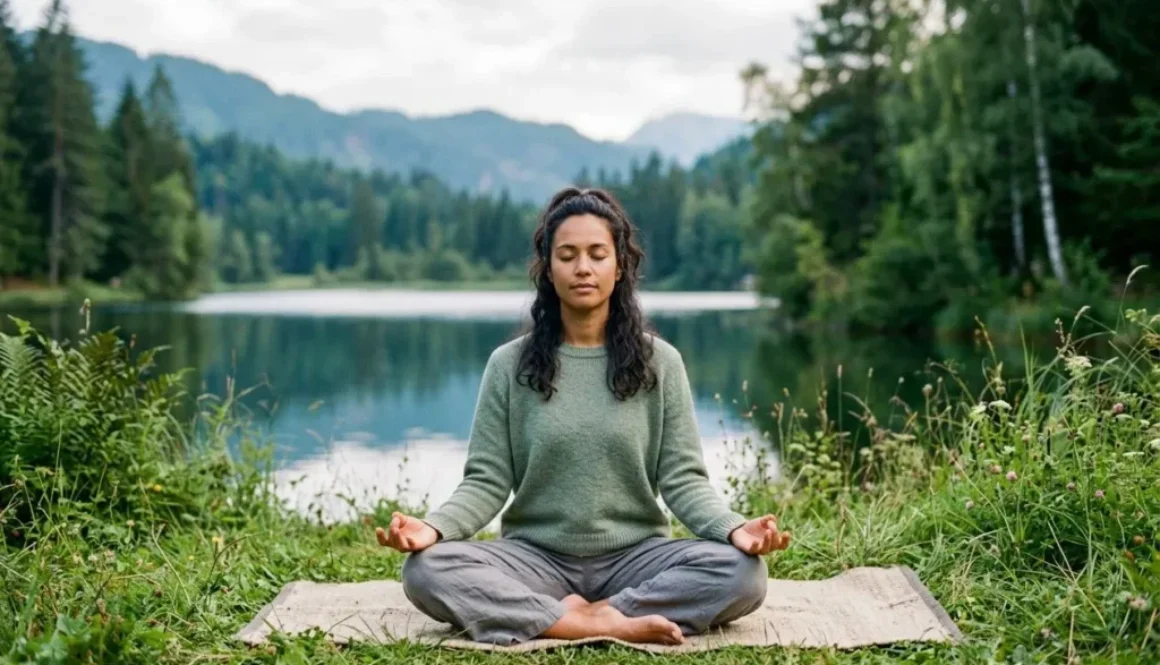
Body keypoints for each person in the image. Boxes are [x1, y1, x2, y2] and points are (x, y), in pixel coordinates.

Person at [375, 187, 790, 646]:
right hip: (534, 560)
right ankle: (596, 624)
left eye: (597, 254)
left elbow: (683, 480)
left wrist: (733, 528)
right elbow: (486, 481)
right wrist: (433, 528)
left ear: (620, 266)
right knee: (427, 569)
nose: (583, 268)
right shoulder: (509, 365)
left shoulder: (661, 364)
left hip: (636, 558)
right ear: (548, 269)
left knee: (743, 573)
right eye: (567, 255)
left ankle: (579, 615)